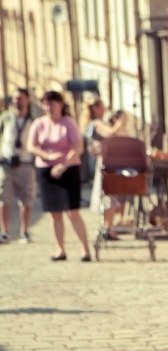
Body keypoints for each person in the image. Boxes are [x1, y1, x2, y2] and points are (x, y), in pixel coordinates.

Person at [25, 90, 92, 261]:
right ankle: (60, 249)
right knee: (55, 212)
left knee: (72, 211)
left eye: (52, 104)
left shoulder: (68, 123)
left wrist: (64, 165)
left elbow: (78, 148)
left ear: (60, 104)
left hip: (69, 169)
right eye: (45, 104)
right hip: (46, 171)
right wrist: (46, 156)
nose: (48, 107)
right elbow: (31, 146)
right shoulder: (39, 123)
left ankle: (85, 249)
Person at [82, 94, 134, 239]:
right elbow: (111, 133)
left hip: (106, 162)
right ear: (98, 108)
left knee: (109, 195)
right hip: (106, 163)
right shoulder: (97, 123)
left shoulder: (97, 123)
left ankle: (107, 227)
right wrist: (120, 122)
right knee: (109, 195)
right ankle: (108, 228)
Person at [0, 88, 38, 243]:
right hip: (7, 164)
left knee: (26, 200)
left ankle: (24, 231)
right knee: (4, 198)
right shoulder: (6, 117)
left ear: (27, 100)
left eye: (20, 98)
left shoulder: (34, 120)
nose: (17, 101)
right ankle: (4, 232)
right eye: (15, 98)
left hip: (26, 164)